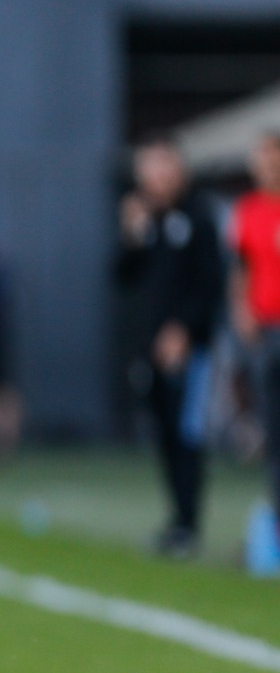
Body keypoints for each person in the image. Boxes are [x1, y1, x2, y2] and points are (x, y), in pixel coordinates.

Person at [115, 136, 224, 559]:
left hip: (190, 349)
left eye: (164, 168)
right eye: (150, 169)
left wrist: (184, 329)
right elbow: (123, 278)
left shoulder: (198, 215)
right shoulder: (146, 221)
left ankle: (190, 523)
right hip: (150, 348)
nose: (157, 178)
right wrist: (131, 236)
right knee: (162, 432)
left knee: (188, 433)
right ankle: (177, 520)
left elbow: (209, 283)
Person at [230, 131, 280, 554]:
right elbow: (242, 266)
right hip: (266, 329)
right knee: (273, 429)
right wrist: (241, 309)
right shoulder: (248, 210)